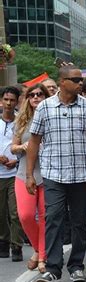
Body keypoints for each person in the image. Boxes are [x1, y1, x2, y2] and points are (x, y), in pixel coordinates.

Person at [26, 65, 86, 282]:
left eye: (80, 80)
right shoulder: (44, 107)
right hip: (53, 173)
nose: (80, 84)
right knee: (53, 218)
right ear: (62, 82)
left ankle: (76, 266)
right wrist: (30, 174)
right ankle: (52, 268)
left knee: (79, 222)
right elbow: (34, 141)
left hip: (82, 173)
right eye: (75, 80)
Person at [11, 84, 50, 272]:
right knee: (25, 216)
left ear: (46, 97)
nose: (36, 97)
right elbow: (13, 147)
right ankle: (37, 249)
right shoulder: (22, 120)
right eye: (32, 95)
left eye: (40, 94)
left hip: (48, 174)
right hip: (24, 174)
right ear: (27, 98)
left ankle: (42, 258)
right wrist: (23, 146)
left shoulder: (52, 117)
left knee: (45, 218)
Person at [0, 86, 22, 261]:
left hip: (15, 173)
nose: (8, 103)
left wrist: (16, 160)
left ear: (17, 102)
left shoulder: (20, 123)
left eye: (12, 100)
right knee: (1, 212)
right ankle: (3, 242)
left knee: (15, 212)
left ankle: (17, 246)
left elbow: (25, 145)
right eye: (6, 99)